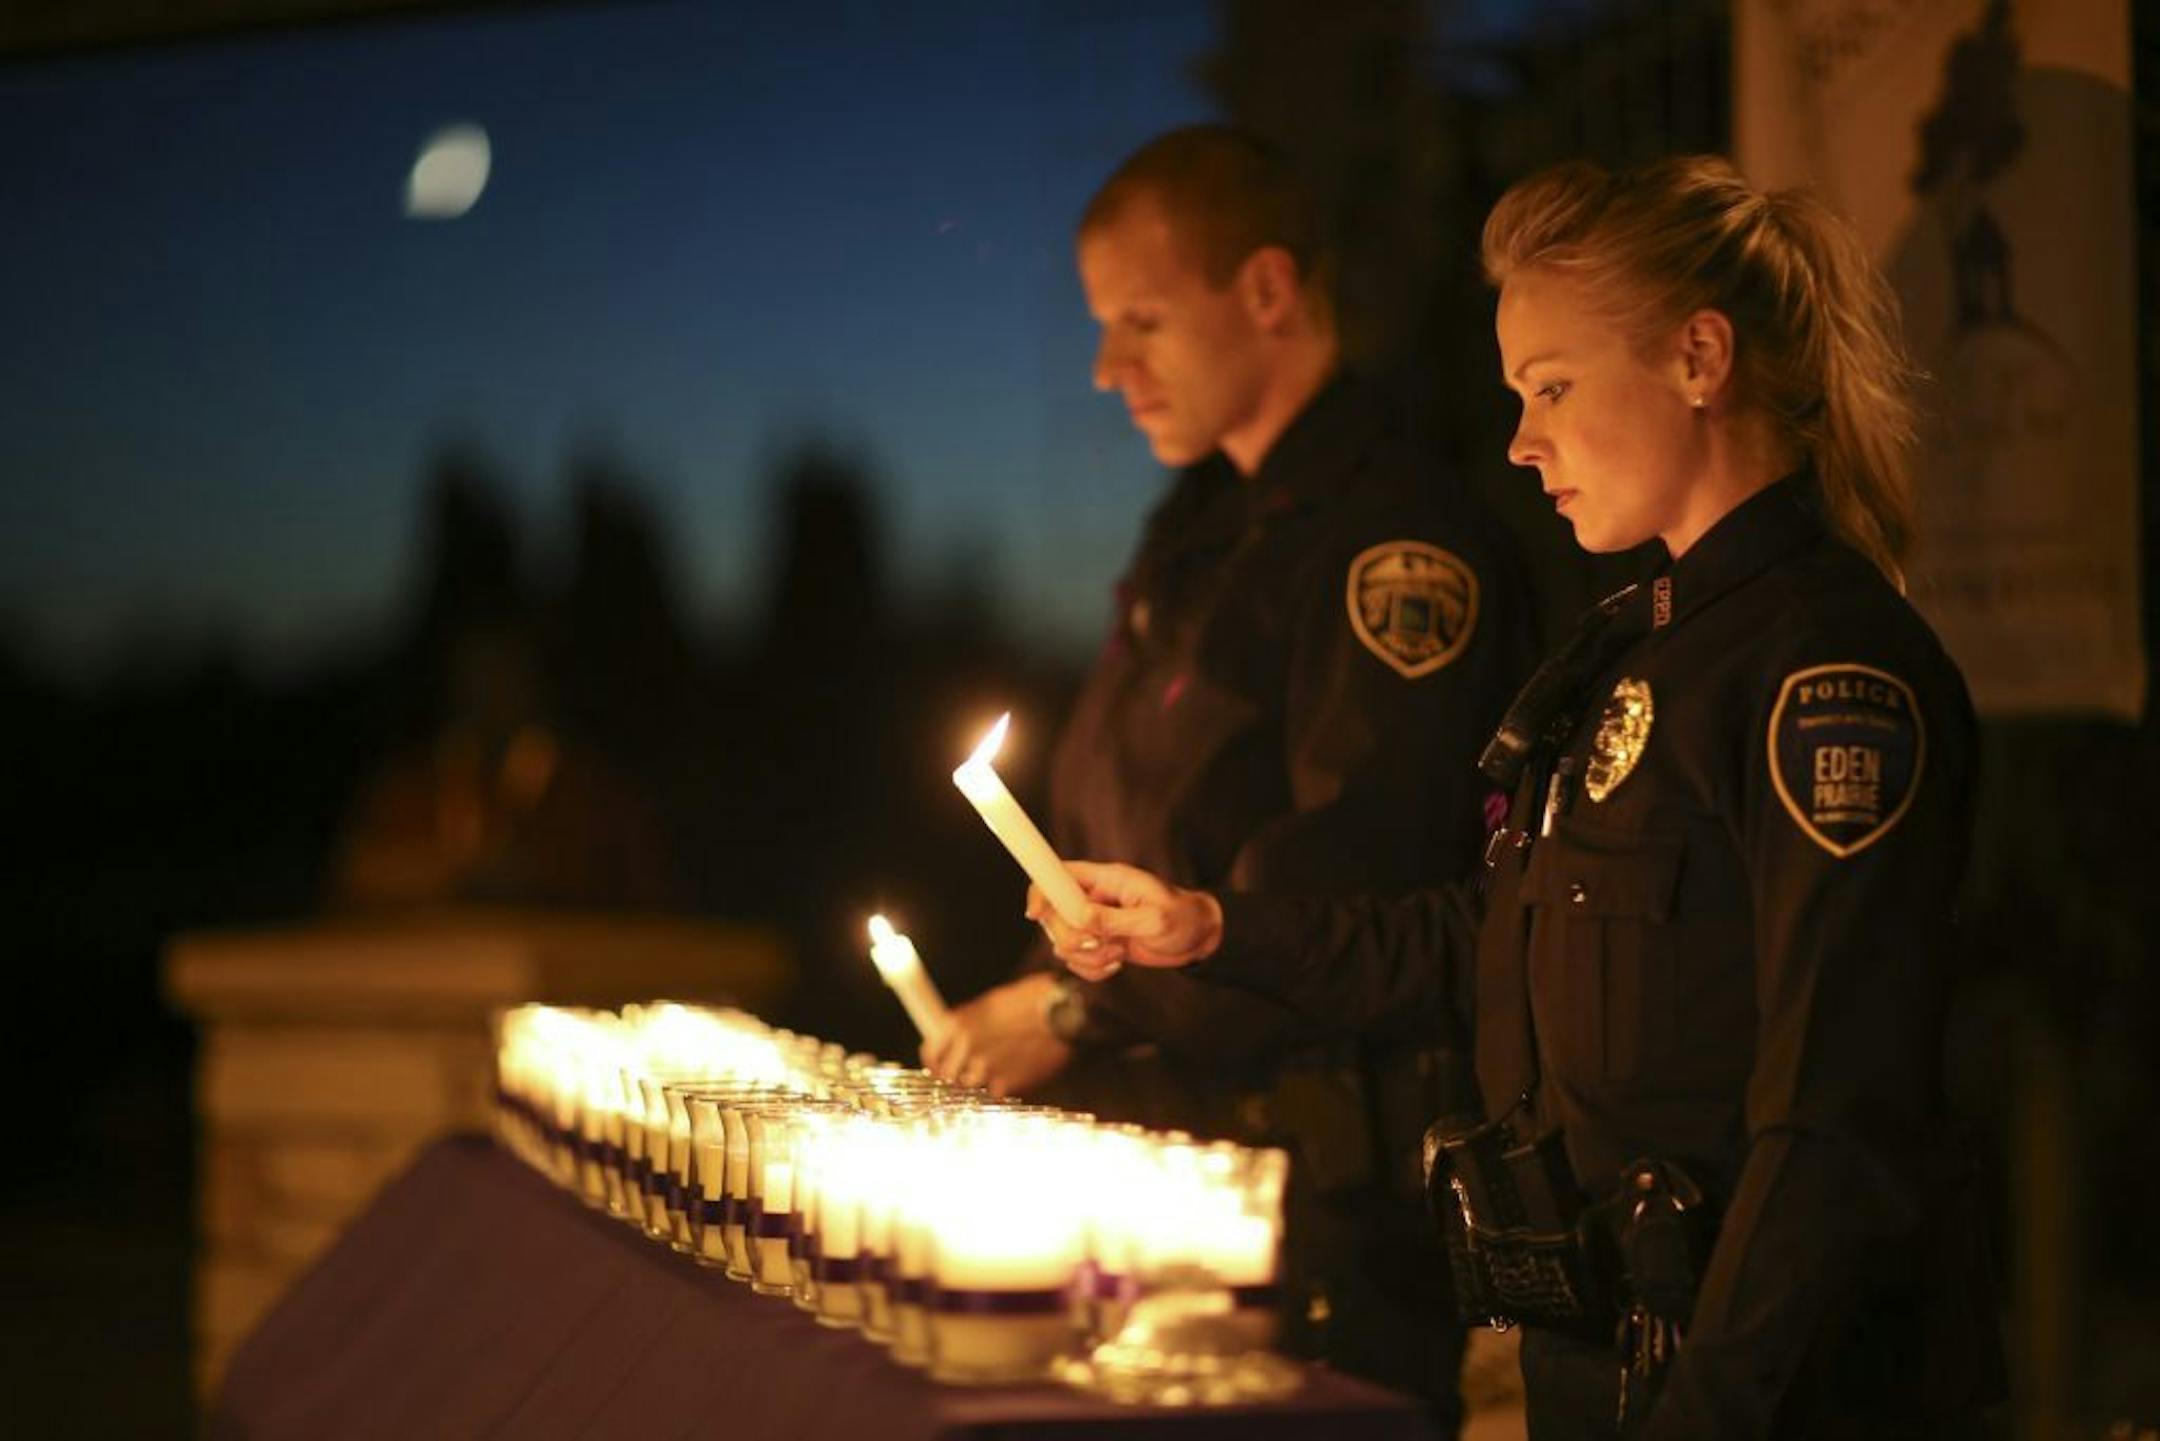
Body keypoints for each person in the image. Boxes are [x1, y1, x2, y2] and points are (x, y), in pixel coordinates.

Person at [1032, 155, 2003, 1440]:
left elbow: (1834, 1116)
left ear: (1699, 358)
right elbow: (1477, 942)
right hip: (1598, 1370)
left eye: (1552, 387)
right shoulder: (1628, 657)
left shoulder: (1822, 672)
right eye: (1515, 395)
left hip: (1758, 1395)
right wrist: (1209, 927)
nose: (1522, 439)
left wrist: (1703, 1412)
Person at [923, 125, 1534, 1422]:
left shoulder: (1393, 541)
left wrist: (1073, 1014)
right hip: (1178, 1174)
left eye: (1141, 321)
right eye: (1101, 327)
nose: (1107, 368)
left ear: (1265, 290)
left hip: (1323, 1219)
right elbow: (1115, 815)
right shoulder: (1198, 531)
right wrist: (1055, 972)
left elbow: (1343, 913)